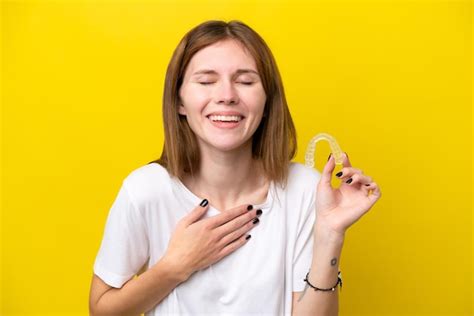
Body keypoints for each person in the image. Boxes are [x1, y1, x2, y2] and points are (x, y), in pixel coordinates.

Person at [88, 20, 381, 316]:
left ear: (267, 100)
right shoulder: (146, 190)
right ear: (179, 101)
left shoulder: (306, 190)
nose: (227, 95)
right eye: (206, 81)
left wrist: (330, 233)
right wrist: (175, 266)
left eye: (245, 81)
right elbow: (102, 311)